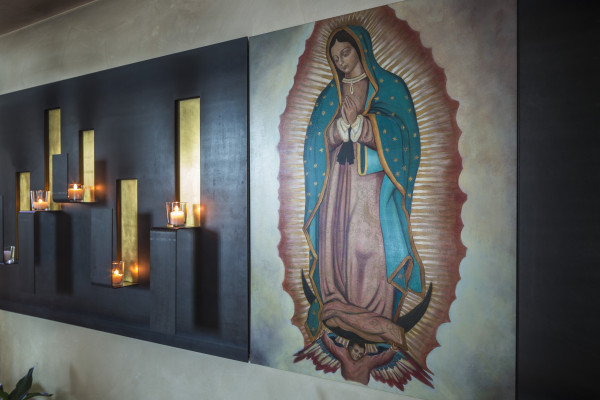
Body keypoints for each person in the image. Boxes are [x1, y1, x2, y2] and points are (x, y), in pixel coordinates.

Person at [302, 25, 426, 347]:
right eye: (335, 58)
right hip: (337, 184)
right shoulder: (329, 95)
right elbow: (314, 141)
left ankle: (373, 314)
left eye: (345, 53)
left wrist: (363, 126)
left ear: (361, 48)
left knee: (368, 246)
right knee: (337, 242)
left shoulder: (389, 88)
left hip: (373, 184)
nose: (341, 62)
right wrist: (336, 131)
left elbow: (403, 134)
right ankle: (339, 305)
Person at [320, 332, 396, 385]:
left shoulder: (367, 360)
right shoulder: (343, 354)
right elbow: (331, 346)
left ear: (364, 353)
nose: (358, 355)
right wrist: (323, 335)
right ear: (350, 348)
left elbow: (382, 358)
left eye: (360, 353)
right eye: (356, 351)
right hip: (344, 385)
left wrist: (393, 350)